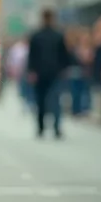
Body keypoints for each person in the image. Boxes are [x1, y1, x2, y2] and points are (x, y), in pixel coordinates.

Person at [28, 9, 70, 138]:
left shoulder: (37, 35)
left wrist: (31, 71)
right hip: (53, 73)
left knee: (43, 101)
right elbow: (64, 56)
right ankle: (54, 128)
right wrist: (64, 69)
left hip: (44, 73)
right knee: (53, 101)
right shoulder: (57, 35)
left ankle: (43, 128)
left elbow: (32, 56)